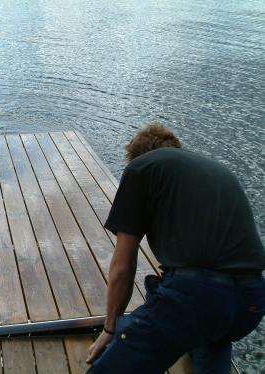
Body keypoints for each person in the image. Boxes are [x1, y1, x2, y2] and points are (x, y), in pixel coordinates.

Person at [86, 123, 265, 373]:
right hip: (251, 302)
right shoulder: (218, 172)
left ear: (136, 156)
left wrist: (110, 328)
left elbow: (122, 266)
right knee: (212, 335)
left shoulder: (141, 167)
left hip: (197, 297)